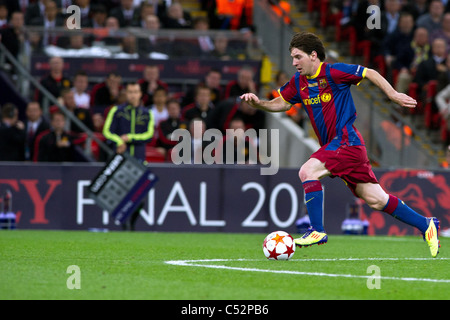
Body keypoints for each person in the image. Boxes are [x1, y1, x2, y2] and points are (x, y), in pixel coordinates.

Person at [240, 32, 441, 258]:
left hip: (346, 141)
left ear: (313, 55)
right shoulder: (298, 82)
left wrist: (393, 94)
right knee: (376, 200)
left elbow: (369, 72)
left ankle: (316, 230)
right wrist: (259, 104)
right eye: (292, 58)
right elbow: (282, 103)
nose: (294, 62)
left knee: (308, 171)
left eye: (298, 57)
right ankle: (426, 225)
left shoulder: (334, 72)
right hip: (340, 148)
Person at [102, 82, 155, 230]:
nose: (132, 95)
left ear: (140, 94)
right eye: (130, 92)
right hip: (120, 158)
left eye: (135, 92)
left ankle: (132, 222)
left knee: (140, 197)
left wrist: (129, 138)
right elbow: (107, 131)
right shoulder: (116, 111)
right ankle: (124, 225)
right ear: (125, 93)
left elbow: (149, 135)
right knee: (121, 194)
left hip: (139, 159)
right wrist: (119, 141)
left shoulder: (147, 113)